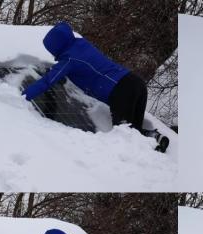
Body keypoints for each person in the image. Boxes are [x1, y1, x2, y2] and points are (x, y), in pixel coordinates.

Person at [22, 22, 169, 152]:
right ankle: (155, 138)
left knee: (127, 137)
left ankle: (147, 160)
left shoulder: (69, 59)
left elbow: (49, 80)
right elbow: (84, 67)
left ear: (55, 47)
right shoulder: (81, 45)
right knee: (133, 132)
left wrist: (23, 96)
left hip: (121, 90)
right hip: (135, 82)